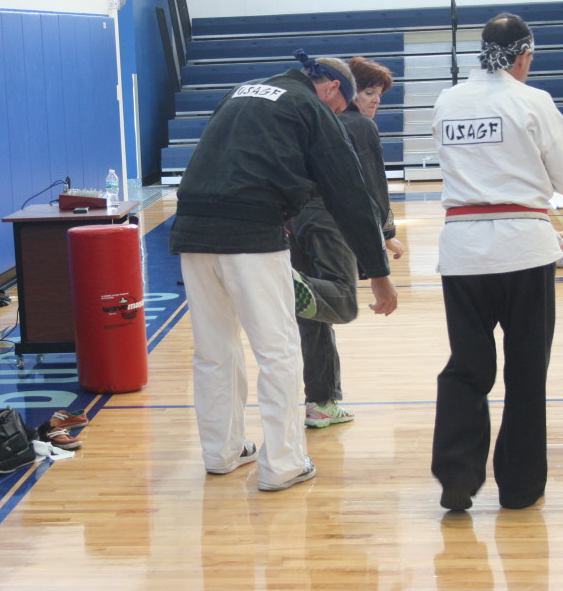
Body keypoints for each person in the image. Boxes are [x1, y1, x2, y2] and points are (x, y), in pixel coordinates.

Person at [169, 50, 398, 492]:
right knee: (278, 350)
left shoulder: (240, 93)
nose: (338, 115)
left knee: (214, 349)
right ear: (332, 87)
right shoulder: (309, 106)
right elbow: (349, 193)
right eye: (339, 107)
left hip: (192, 233)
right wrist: (379, 272)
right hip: (252, 234)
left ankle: (222, 452)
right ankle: (284, 463)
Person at [429, 13, 563, 511]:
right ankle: (519, 488)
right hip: (524, 249)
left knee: (467, 368)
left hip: (463, 252)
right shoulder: (532, 100)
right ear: (524, 56)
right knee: (525, 372)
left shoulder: (447, 100)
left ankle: (457, 476)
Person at [290, 56, 404, 428]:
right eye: (369, 92)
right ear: (348, 91)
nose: (375, 101)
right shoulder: (359, 127)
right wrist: (386, 236)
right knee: (337, 299)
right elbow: (372, 189)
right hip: (332, 223)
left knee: (312, 312)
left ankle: (319, 401)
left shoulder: (308, 119)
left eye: (380, 96)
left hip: (294, 222)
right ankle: (322, 400)